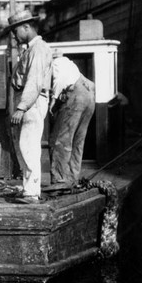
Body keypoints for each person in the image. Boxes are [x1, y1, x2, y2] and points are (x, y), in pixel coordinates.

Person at [7, 10, 53, 204]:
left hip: (32, 101)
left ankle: (32, 192)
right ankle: (28, 189)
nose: (14, 35)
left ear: (27, 27)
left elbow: (34, 81)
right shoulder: (29, 49)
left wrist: (22, 107)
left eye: (16, 30)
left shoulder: (38, 49)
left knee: (29, 145)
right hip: (28, 101)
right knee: (24, 146)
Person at [49, 49, 96, 185]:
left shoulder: (57, 63)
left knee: (62, 140)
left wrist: (53, 100)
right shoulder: (71, 64)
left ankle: (59, 180)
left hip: (76, 97)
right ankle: (72, 177)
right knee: (78, 141)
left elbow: (59, 80)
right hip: (88, 97)